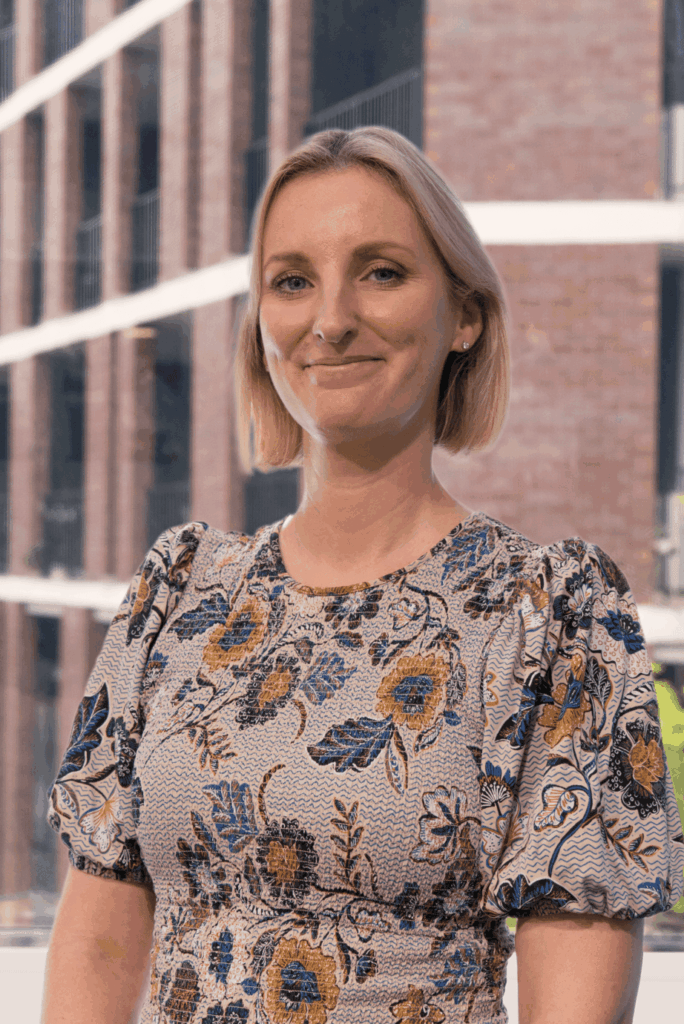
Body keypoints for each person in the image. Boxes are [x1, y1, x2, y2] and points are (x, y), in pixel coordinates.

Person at [42, 126, 684, 1024]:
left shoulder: (548, 615)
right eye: (291, 280)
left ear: (464, 315)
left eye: (381, 272)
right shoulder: (179, 593)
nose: (332, 319)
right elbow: (100, 939)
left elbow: (575, 988)